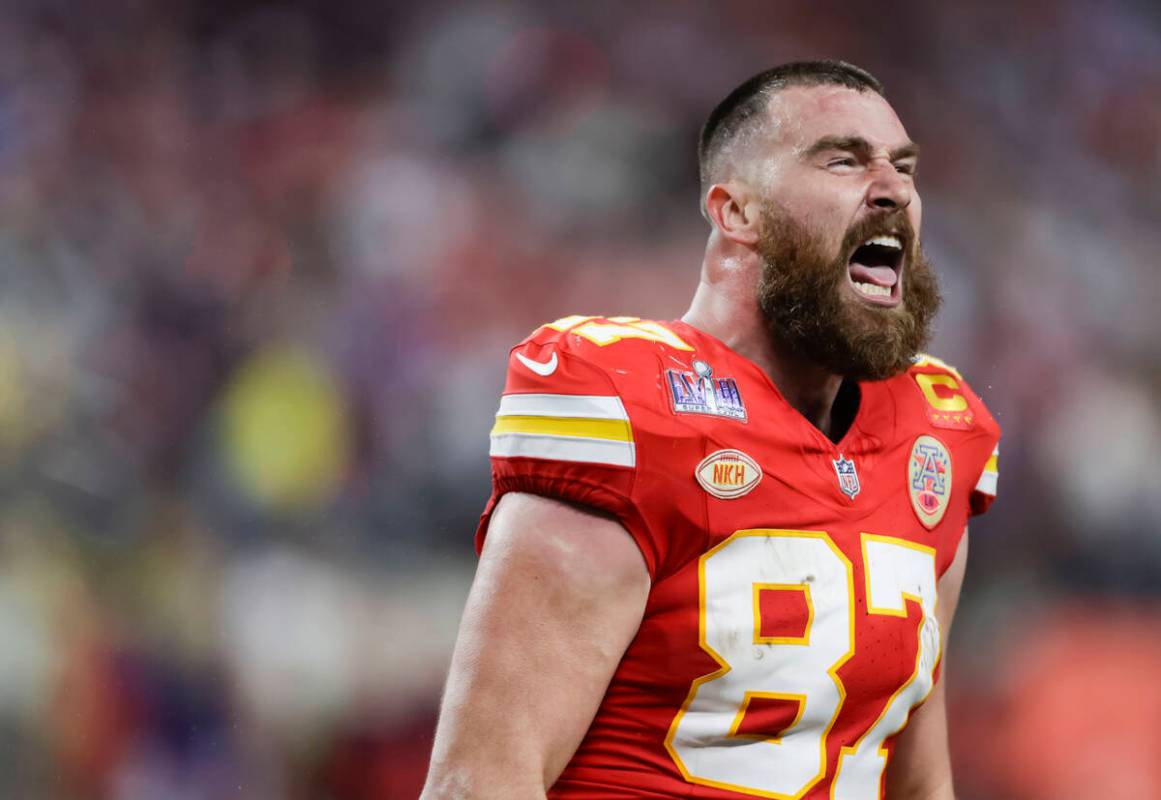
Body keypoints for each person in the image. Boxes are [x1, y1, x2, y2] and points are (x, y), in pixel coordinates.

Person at [421, 60, 1001, 800]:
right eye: (842, 159)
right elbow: (480, 784)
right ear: (737, 213)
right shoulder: (629, 407)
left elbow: (915, 781)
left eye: (903, 165)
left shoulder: (935, 433)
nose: (893, 187)